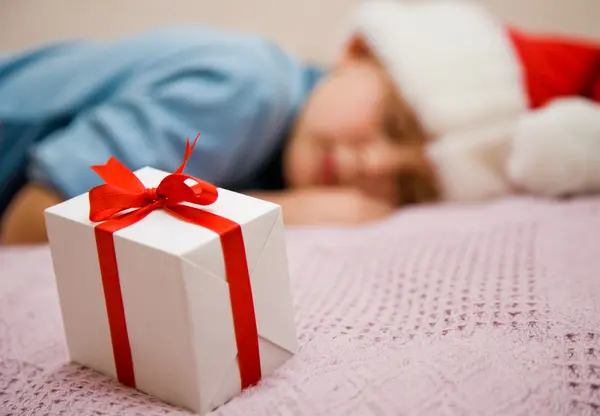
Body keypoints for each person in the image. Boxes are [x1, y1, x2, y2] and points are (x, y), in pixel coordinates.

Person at [2, 0, 600, 245]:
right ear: (358, 51)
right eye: (394, 124)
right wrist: (281, 212)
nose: (376, 166)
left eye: (410, 184)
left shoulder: (281, 143)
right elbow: (33, 222)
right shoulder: (247, 88)